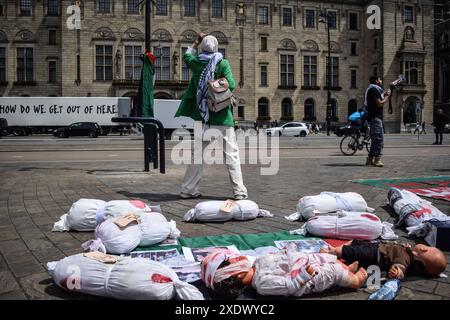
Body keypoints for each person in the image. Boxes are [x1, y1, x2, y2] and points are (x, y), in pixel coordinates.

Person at [175, 33, 248, 200]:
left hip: (202, 117)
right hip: (222, 116)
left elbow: (186, 55)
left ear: (202, 48)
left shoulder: (195, 63)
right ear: (216, 48)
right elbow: (232, 84)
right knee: (231, 155)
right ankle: (239, 192)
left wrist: (195, 41)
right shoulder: (222, 63)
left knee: (197, 155)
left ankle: (188, 189)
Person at [200, 248, 368, 299]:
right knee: (333, 271)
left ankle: (346, 269)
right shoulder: (262, 284)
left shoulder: (256, 264)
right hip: (310, 278)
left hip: (300, 262)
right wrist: (303, 275)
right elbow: (289, 286)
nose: (237, 257)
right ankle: (355, 280)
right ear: (235, 276)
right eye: (233, 261)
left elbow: (276, 260)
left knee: (322, 257)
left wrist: (285, 253)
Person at [322, 240, 446, 279]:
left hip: (374, 255)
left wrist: (398, 272)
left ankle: (331, 253)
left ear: (424, 250)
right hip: (377, 248)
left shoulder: (406, 258)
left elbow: (400, 265)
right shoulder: (410, 253)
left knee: (350, 251)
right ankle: (336, 249)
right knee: (355, 242)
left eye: (429, 248)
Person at [365, 76, 391, 167]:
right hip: (376, 118)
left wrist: (384, 93)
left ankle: (369, 160)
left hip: (373, 118)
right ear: (376, 81)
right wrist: (387, 97)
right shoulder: (374, 90)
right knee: (379, 139)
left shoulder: (372, 89)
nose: (381, 81)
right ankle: (377, 160)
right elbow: (379, 103)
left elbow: (378, 98)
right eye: (380, 79)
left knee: (375, 140)